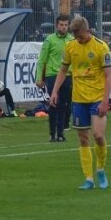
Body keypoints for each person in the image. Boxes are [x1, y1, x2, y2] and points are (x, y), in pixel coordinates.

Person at [50, 16, 111, 190]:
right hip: (78, 99)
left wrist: (105, 101)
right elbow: (63, 70)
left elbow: (108, 76)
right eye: (75, 36)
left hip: (97, 98)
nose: (78, 39)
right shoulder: (70, 46)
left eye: (80, 36)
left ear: (87, 30)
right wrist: (54, 91)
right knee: (83, 139)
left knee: (98, 136)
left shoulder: (101, 47)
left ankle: (100, 168)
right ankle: (89, 179)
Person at [35, 14, 73, 142]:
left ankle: (61, 133)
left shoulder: (72, 40)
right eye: (61, 25)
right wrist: (39, 78)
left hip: (67, 76)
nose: (63, 27)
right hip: (52, 75)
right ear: (57, 25)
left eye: (66, 25)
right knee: (53, 104)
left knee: (63, 105)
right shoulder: (49, 40)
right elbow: (42, 60)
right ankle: (52, 133)